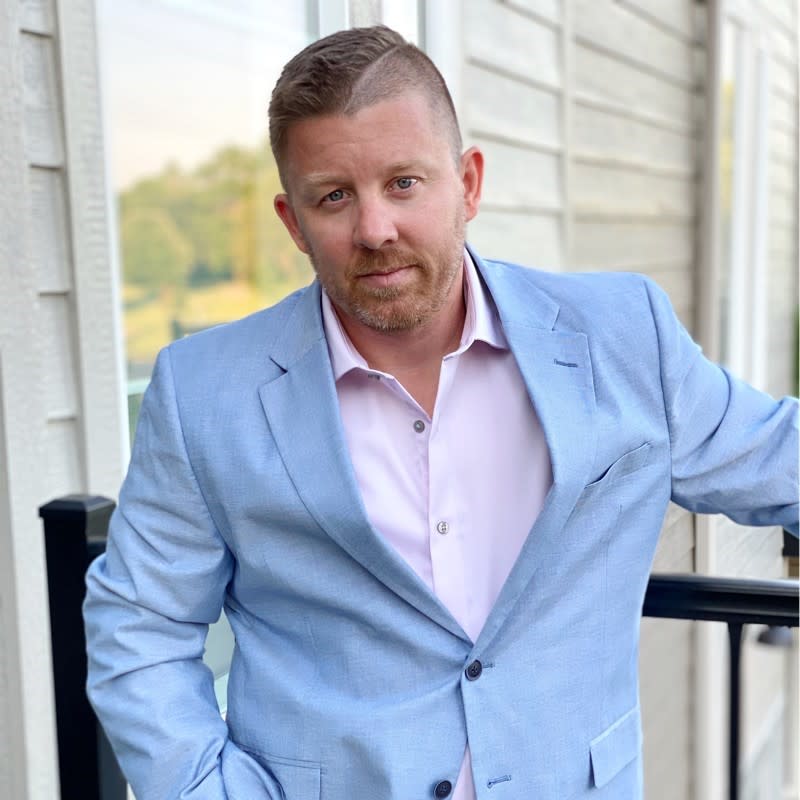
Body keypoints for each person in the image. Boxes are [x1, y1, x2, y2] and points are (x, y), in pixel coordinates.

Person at [84, 25, 798, 800]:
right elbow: (139, 626)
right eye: (334, 196)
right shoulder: (203, 392)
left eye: (403, 183)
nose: (374, 230)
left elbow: (776, 458)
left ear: (468, 183)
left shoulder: (623, 336)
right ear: (293, 223)